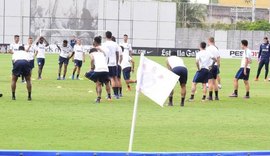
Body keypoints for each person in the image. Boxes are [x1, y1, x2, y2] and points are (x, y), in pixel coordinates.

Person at [93, 36, 112, 100]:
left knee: (98, 83)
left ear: (95, 42)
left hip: (98, 67)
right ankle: (109, 96)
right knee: (107, 83)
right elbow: (108, 58)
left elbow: (93, 59)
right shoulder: (106, 48)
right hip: (106, 67)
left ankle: (99, 97)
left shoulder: (95, 49)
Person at [103, 31, 120, 99]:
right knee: (115, 78)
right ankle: (117, 94)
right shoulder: (115, 44)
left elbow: (103, 54)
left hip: (107, 63)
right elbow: (117, 53)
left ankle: (111, 94)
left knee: (110, 79)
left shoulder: (104, 44)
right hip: (114, 63)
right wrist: (116, 62)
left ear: (106, 36)